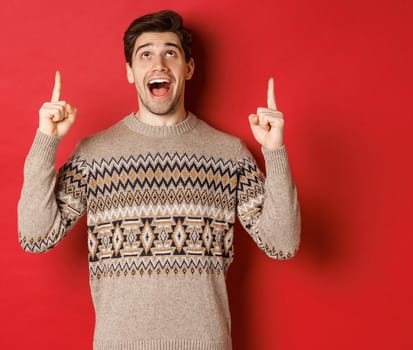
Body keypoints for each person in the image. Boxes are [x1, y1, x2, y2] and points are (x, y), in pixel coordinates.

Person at [17, 9, 300, 350]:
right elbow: (35, 237)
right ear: (130, 72)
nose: (159, 64)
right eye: (145, 54)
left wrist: (275, 151)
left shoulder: (228, 154)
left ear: (188, 68)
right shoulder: (94, 154)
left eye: (171, 53)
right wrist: (46, 140)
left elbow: (283, 244)